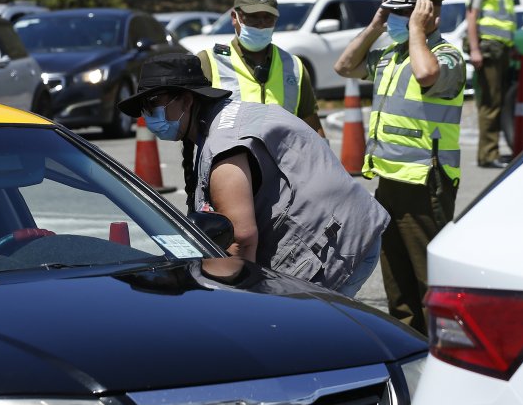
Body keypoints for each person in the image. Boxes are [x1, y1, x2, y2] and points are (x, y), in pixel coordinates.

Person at [118, 53, 389, 297]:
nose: (147, 115)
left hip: (341, 241)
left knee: (303, 335)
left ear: (187, 100)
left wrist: (237, 302)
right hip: (345, 225)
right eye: (143, 107)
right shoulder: (224, 117)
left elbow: (241, 239)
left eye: (152, 104)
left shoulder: (223, 144)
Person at [333, 0, 466, 333]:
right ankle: (411, 346)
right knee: (397, 282)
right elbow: (344, 66)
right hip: (390, 182)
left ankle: (445, 349)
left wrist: (417, 32)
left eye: (404, 15)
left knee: (429, 279)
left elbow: (427, 75)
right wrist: (376, 24)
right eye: (394, 14)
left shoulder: (447, 57)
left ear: (429, 17)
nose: (397, 22)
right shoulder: (392, 56)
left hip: (427, 184)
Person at [197, 0, 325, 137]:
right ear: (234, 17)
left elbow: (311, 126)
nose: (261, 24)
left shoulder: (294, 66)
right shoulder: (209, 62)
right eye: (252, 17)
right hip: (229, 160)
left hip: (282, 160)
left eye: (268, 18)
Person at [467, 0, 517, 169]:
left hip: (502, 50)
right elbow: (471, 17)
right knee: (489, 102)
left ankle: (493, 151)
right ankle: (488, 155)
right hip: (489, 50)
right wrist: (475, 49)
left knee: (497, 101)